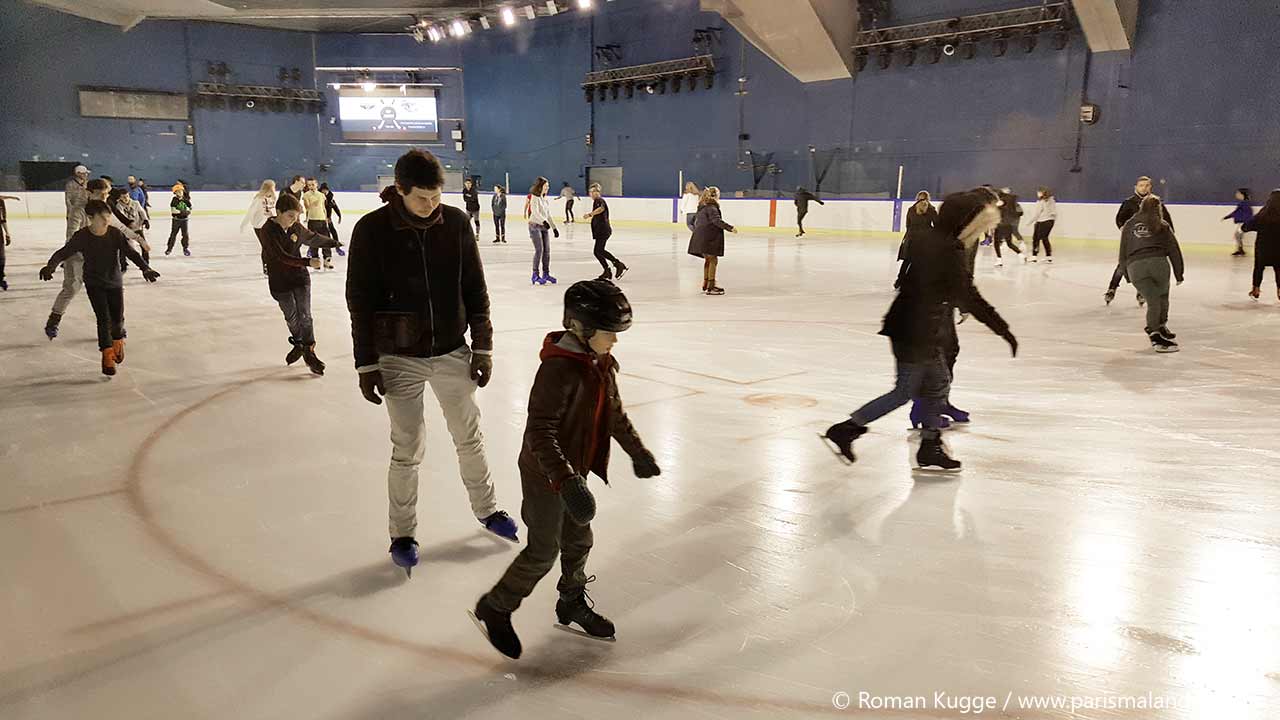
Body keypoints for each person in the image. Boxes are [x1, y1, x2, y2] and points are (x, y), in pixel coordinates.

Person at [346, 149, 519, 577]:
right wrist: (366, 364)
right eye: (422, 198)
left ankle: (488, 509)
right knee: (407, 449)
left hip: (451, 350)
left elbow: (475, 289)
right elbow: (359, 300)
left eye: (437, 196)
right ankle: (402, 533)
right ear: (399, 190)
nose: (431, 205)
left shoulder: (456, 223)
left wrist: (483, 346)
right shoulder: (371, 230)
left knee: (470, 436)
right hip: (398, 358)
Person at [471, 279, 660, 659]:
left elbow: (614, 414)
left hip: (573, 471)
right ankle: (497, 606)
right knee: (543, 550)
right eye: (610, 333)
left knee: (578, 541)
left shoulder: (600, 363)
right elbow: (540, 432)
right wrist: (565, 480)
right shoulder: (559, 370)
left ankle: (571, 602)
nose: (615, 341)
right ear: (581, 328)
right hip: (546, 473)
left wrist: (637, 452)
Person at [822, 189, 1017, 472]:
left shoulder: (939, 241)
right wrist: (1003, 330)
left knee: (937, 383)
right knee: (905, 392)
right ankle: (847, 429)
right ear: (967, 221)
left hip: (917, 327)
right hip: (914, 332)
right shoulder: (947, 250)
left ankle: (929, 446)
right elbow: (968, 296)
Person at [38, 199, 160, 375]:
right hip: (95, 283)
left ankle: (117, 341)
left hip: (115, 282)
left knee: (118, 320)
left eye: (108, 217)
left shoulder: (115, 234)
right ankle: (107, 354)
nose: (106, 221)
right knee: (103, 320)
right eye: (102, 217)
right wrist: (51, 266)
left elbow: (131, 253)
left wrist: (145, 268)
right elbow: (63, 253)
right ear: (90, 218)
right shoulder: (82, 237)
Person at [258, 192, 341, 374]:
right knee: (291, 317)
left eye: (296, 217)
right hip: (279, 280)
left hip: (299, 278)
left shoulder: (296, 227)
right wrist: (308, 261)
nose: (294, 220)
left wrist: (335, 243)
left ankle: (309, 350)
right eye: (290, 216)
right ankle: (298, 343)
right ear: (278, 212)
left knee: (305, 315)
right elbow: (280, 257)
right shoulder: (267, 231)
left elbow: (313, 237)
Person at [1120, 195, 1184, 352]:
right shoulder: (1162, 225)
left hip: (1135, 267)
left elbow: (1123, 251)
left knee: (1152, 300)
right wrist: (1179, 272)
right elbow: (1173, 250)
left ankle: (1157, 329)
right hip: (1158, 265)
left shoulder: (1129, 225)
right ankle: (1157, 331)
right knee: (1161, 297)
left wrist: (1126, 273)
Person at [1107, 176, 1172, 306]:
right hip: (1133, 240)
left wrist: (1168, 236)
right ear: (1136, 187)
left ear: (1150, 187)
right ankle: (1112, 288)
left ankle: (1141, 292)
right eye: (1141, 185)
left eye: (1147, 185)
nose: (1144, 188)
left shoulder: (1155, 202)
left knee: (1144, 267)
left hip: (1150, 242)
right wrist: (1124, 230)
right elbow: (1120, 218)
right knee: (1123, 264)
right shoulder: (1129, 202)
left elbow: (1166, 220)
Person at [45, 165, 92, 338]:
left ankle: (112, 325)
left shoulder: (101, 207)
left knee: (104, 289)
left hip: (95, 254)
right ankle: (54, 320)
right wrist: (63, 256)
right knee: (72, 287)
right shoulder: (73, 189)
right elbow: (72, 235)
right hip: (77, 249)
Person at [688, 186, 736, 295]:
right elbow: (716, 221)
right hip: (708, 238)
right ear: (715, 196)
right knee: (713, 260)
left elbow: (694, 222)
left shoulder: (702, 207)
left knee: (708, 260)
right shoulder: (712, 207)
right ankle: (711, 286)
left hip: (701, 237)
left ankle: (706, 283)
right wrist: (730, 228)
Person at [582, 183, 626, 281]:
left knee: (598, 251)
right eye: (590, 192)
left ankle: (617, 265)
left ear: (598, 192)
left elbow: (601, 209)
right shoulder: (597, 201)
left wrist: (590, 214)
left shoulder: (599, 200)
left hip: (603, 230)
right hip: (600, 230)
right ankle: (609, 269)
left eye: (593, 192)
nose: (591, 194)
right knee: (598, 251)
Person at [1243, 190, 1280, 301]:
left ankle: (1256, 289)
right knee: (1279, 268)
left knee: (1259, 268)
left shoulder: (1263, 214)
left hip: (1262, 248)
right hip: (1279, 248)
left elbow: (1246, 226)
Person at [897, 191, 936, 286]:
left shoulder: (911, 209)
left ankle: (899, 281)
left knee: (907, 261)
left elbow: (908, 225)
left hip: (912, 238)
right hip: (925, 239)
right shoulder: (931, 209)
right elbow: (937, 224)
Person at [526, 176, 560, 285]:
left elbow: (548, 214)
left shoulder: (544, 198)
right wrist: (543, 221)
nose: (547, 188)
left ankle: (546, 273)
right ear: (540, 186)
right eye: (546, 186)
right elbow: (535, 212)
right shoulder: (534, 198)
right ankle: (535, 275)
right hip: (534, 226)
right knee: (539, 250)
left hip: (543, 226)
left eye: (548, 186)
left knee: (547, 251)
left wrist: (554, 227)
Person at [108, 187, 150, 272]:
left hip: (137, 228)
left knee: (144, 246)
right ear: (120, 197)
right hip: (126, 229)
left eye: (127, 196)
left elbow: (142, 212)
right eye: (123, 197)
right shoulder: (118, 205)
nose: (126, 198)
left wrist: (145, 220)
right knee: (124, 248)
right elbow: (120, 216)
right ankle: (123, 265)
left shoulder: (135, 203)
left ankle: (146, 264)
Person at [303, 179, 333, 270]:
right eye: (309, 185)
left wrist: (327, 217)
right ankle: (316, 261)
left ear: (316, 185)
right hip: (312, 220)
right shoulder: (306, 195)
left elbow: (323, 207)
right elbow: (307, 207)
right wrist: (312, 204)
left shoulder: (321, 195)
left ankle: (327, 260)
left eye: (313, 184)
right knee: (314, 241)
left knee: (326, 240)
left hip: (322, 220)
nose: (311, 186)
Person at [993, 188, 1023, 267]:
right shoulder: (1010, 202)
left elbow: (997, 206)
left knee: (996, 242)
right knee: (1009, 243)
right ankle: (1020, 254)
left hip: (1000, 225)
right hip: (1008, 225)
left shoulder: (1002, 201)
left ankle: (999, 260)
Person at [1025, 187, 1056, 262]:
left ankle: (1034, 256)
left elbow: (1037, 214)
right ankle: (1048, 256)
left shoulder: (1041, 202)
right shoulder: (1052, 201)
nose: (1037, 194)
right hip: (1050, 221)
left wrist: (1029, 222)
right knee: (1045, 238)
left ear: (1041, 193)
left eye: (1038, 192)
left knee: (1036, 239)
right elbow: (1054, 212)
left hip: (1042, 221)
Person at [1223, 188, 1254, 257]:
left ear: (1242, 194)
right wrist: (1227, 217)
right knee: (1238, 236)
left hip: (1243, 222)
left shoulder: (1244, 203)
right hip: (1242, 222)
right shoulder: (1244, 203)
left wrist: (1247, 221)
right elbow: (1236, 212)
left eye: (1238, 193)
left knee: (1237, 235)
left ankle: (1240, 250)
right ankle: (1240, 250)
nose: (1236, 195)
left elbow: (1248, 213)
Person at [166, 183, 192, 256]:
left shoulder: (186, 200)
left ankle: (185, 248)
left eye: (181, 191)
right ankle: (169, 248)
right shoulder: (174, 200)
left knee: (185, 235)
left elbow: (189, 208)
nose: (180, 193)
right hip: (176, 220)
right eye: (178, 191)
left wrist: (185, 212)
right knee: (173, 234)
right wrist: (183, 212)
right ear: (175, 193)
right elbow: (174, 211)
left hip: (184, 220)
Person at [319, 183, 345, 256]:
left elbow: (335, 207)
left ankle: (337, 247)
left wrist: (339, 216)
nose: (324, 192)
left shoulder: (330, 198)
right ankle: (311, 250)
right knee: (316, 234)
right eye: (323, 190)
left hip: (328, 219)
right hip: (319, 218)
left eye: (326, 190)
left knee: (333, 231)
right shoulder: (318, 197)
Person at [0, 194, 19, 291]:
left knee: (1, 258)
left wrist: (7, 234)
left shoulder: (0, 202)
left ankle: (1, 277)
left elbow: (3, 220)